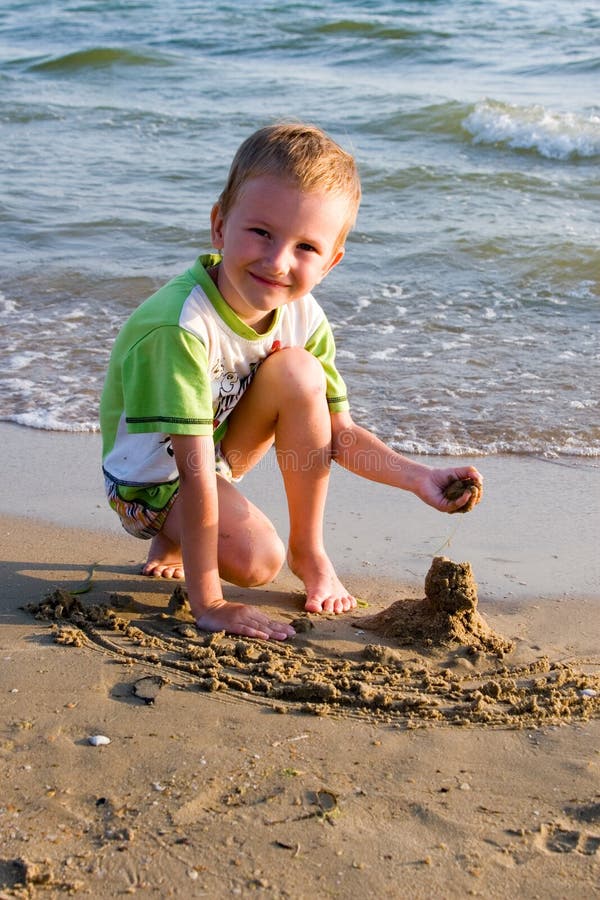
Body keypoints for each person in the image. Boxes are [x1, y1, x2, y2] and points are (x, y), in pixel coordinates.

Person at [100, 122, 483, 642]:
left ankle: (310, 552)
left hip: (212, 456)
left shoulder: (303, 316)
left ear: (331, 262)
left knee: (299, 371)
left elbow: (337, 433)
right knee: (258, 561)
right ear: (219, 225)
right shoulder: (180, 328)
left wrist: (415, 476)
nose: (278, 261)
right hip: (147, 483)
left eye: (306, 246)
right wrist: (209, 603)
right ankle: (167, 535)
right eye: (261, 232)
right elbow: (191, 473)